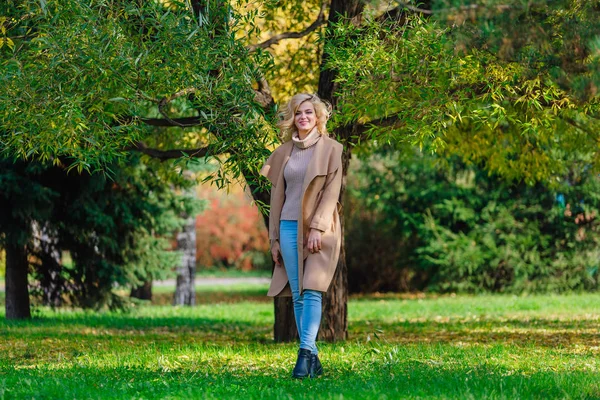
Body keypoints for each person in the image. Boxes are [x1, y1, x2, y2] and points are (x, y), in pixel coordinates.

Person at [260, 93, 343, 379]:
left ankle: (304, 354)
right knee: (297, 294)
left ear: (318, 116)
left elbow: (332, 193)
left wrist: (317, 227)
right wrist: (274, 239)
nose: (303, 117)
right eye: (298, 113)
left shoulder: (332, 149)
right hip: (287, 227)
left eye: (308, 112)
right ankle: (313, 360)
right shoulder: (283, 153)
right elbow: (276, 199)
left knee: (313, 290)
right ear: (292, 118)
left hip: (320, 229)